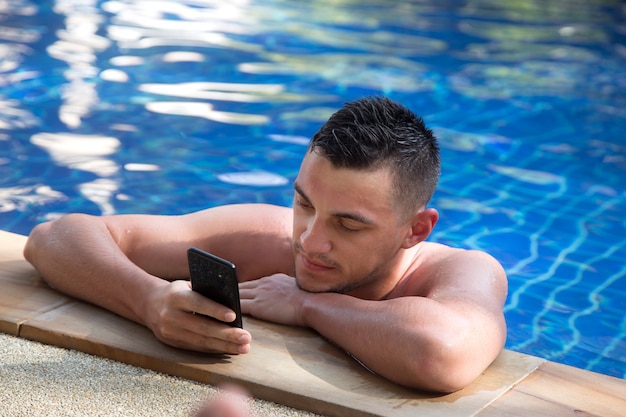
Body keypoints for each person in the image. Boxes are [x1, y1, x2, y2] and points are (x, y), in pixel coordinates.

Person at [23, 96, 507, 393]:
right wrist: (147, 300)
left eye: (349, 225)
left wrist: (306, 306)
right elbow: (55, 239)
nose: (310, 241)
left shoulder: (462, 271)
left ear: (416, 230)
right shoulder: (263, 238)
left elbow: (440, 353)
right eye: (304, 204)